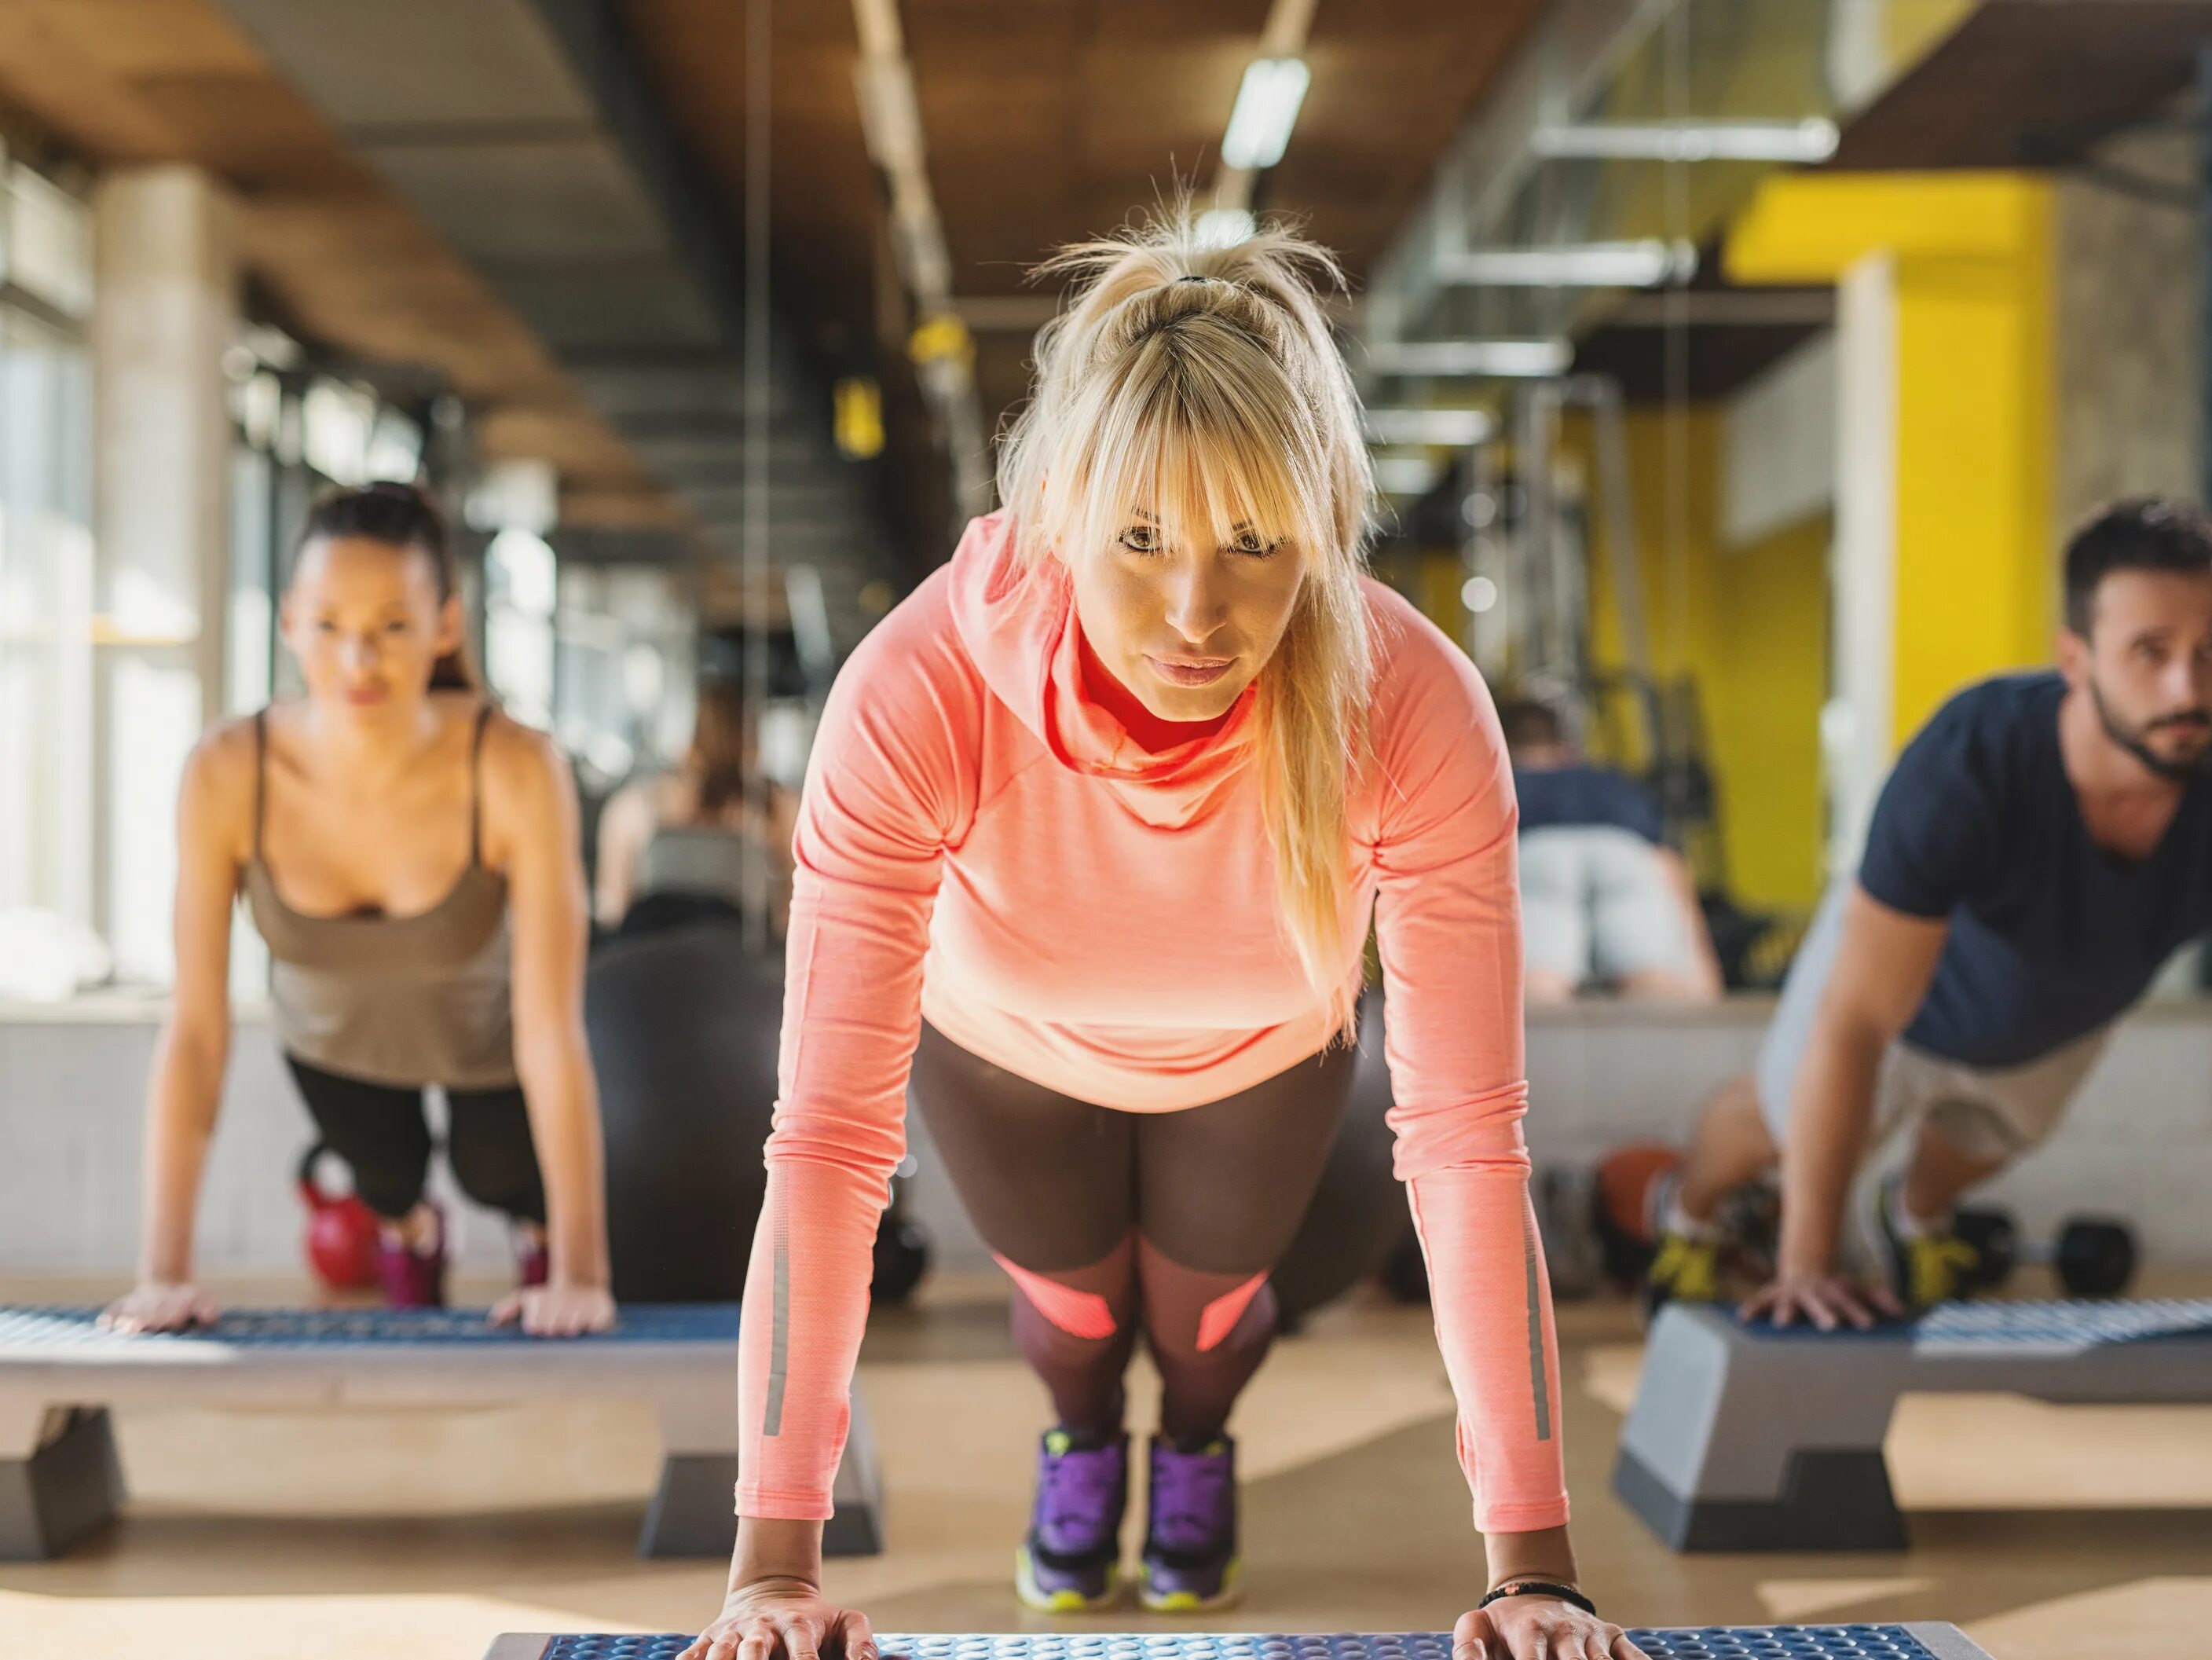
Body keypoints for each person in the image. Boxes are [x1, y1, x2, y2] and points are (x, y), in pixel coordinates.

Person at [685, 224, 1637, 1658]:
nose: (1197, 613)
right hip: (1004, 1047)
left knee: (1198, 1332)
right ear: (1066, 506)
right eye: (1141, 539)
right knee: (1076, 1321)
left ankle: (1196, 1445)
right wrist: (770, 1563)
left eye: (1254, 543)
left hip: (1259, 1054)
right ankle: (1081, 1440)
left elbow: (1467, 1142)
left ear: (1315, 525)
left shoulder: (1411, 708)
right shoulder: (918, 688)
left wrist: (1535, 1570)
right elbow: (824, 1142)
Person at [1645, 499, 2212, 1326]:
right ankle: (1687, 1208)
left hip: (2054, 1015)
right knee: (1775, 1130)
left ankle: (1914, 1216)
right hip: (1896, 998)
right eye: (2149, 653)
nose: (2186, 688)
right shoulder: (1970, 762)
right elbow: (1858, 1019)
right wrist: (1805, 1263)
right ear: (2075, 658)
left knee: (1973, 1150)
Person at [101, 481, 615, 1338]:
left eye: (392, 625)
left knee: (499, 1176)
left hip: (486, 1047)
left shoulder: (516, 766)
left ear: (445, 625)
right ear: (290, 622)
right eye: (330, 624)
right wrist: (162, 1275)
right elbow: (194, 1032)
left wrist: (582, 1272)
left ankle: (532, 1235)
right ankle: (413, 1236)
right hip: (335, 1045)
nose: (357, 660)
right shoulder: (229, 771)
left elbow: (553, 1031)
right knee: (389, 1180)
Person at [1496, 699, 1719, 1002]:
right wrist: (1704, 967)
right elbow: (1667, 862)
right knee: (1656, 990)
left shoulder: (1500, 784)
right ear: (1566, 749)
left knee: (1539, 992)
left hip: (1536, 853)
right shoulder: (1611, 782)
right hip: (1625, 855)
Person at [593, 678, 797, 940]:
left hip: (650, 964)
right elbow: (790, 918)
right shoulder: (778, 809)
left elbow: (611, 913)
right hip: (741, 970)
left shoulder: (632, 807)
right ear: (753, 742)